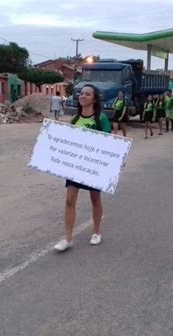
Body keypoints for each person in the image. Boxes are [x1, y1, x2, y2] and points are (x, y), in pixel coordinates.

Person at [54, 84, 112, 252]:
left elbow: (109, 144)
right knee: (69, 200)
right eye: (81, 93)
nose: (82, 96)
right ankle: (68, 238)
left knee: (95, 199)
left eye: (87, 94)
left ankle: (96, 232)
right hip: (75, 167)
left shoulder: (101, 119)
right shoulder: (75, 119)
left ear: (94, 99)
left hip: (93, 167)